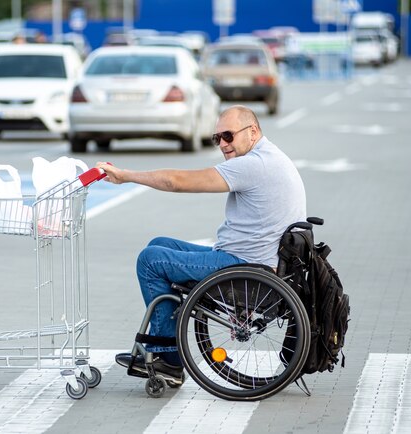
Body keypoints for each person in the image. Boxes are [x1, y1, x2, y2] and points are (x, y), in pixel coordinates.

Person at [95, 105, 306, 383]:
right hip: (252, 262)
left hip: (244, 268)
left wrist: (126, 176)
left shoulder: (254, 164)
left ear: (253, 131)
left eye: (228, 136)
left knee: (150, 261)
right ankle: (166, 341)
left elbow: (176, 182)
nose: (223, 144)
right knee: (159, 244)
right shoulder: (269, 156)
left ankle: (167, 358)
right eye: (216, 138)